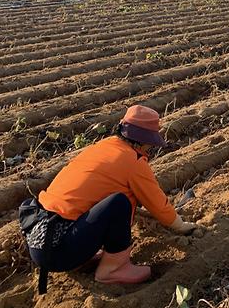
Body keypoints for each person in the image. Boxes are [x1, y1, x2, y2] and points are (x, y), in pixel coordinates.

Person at [18, 105, 197, 293]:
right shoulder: (132, 161)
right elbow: (157, 203)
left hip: (40, 240)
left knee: (113, 203)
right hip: (59, 251)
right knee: (119, 203)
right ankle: (113, 269)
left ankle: (83, 257)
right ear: (143, 141)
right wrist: (180, 225)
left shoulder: (104, 147)